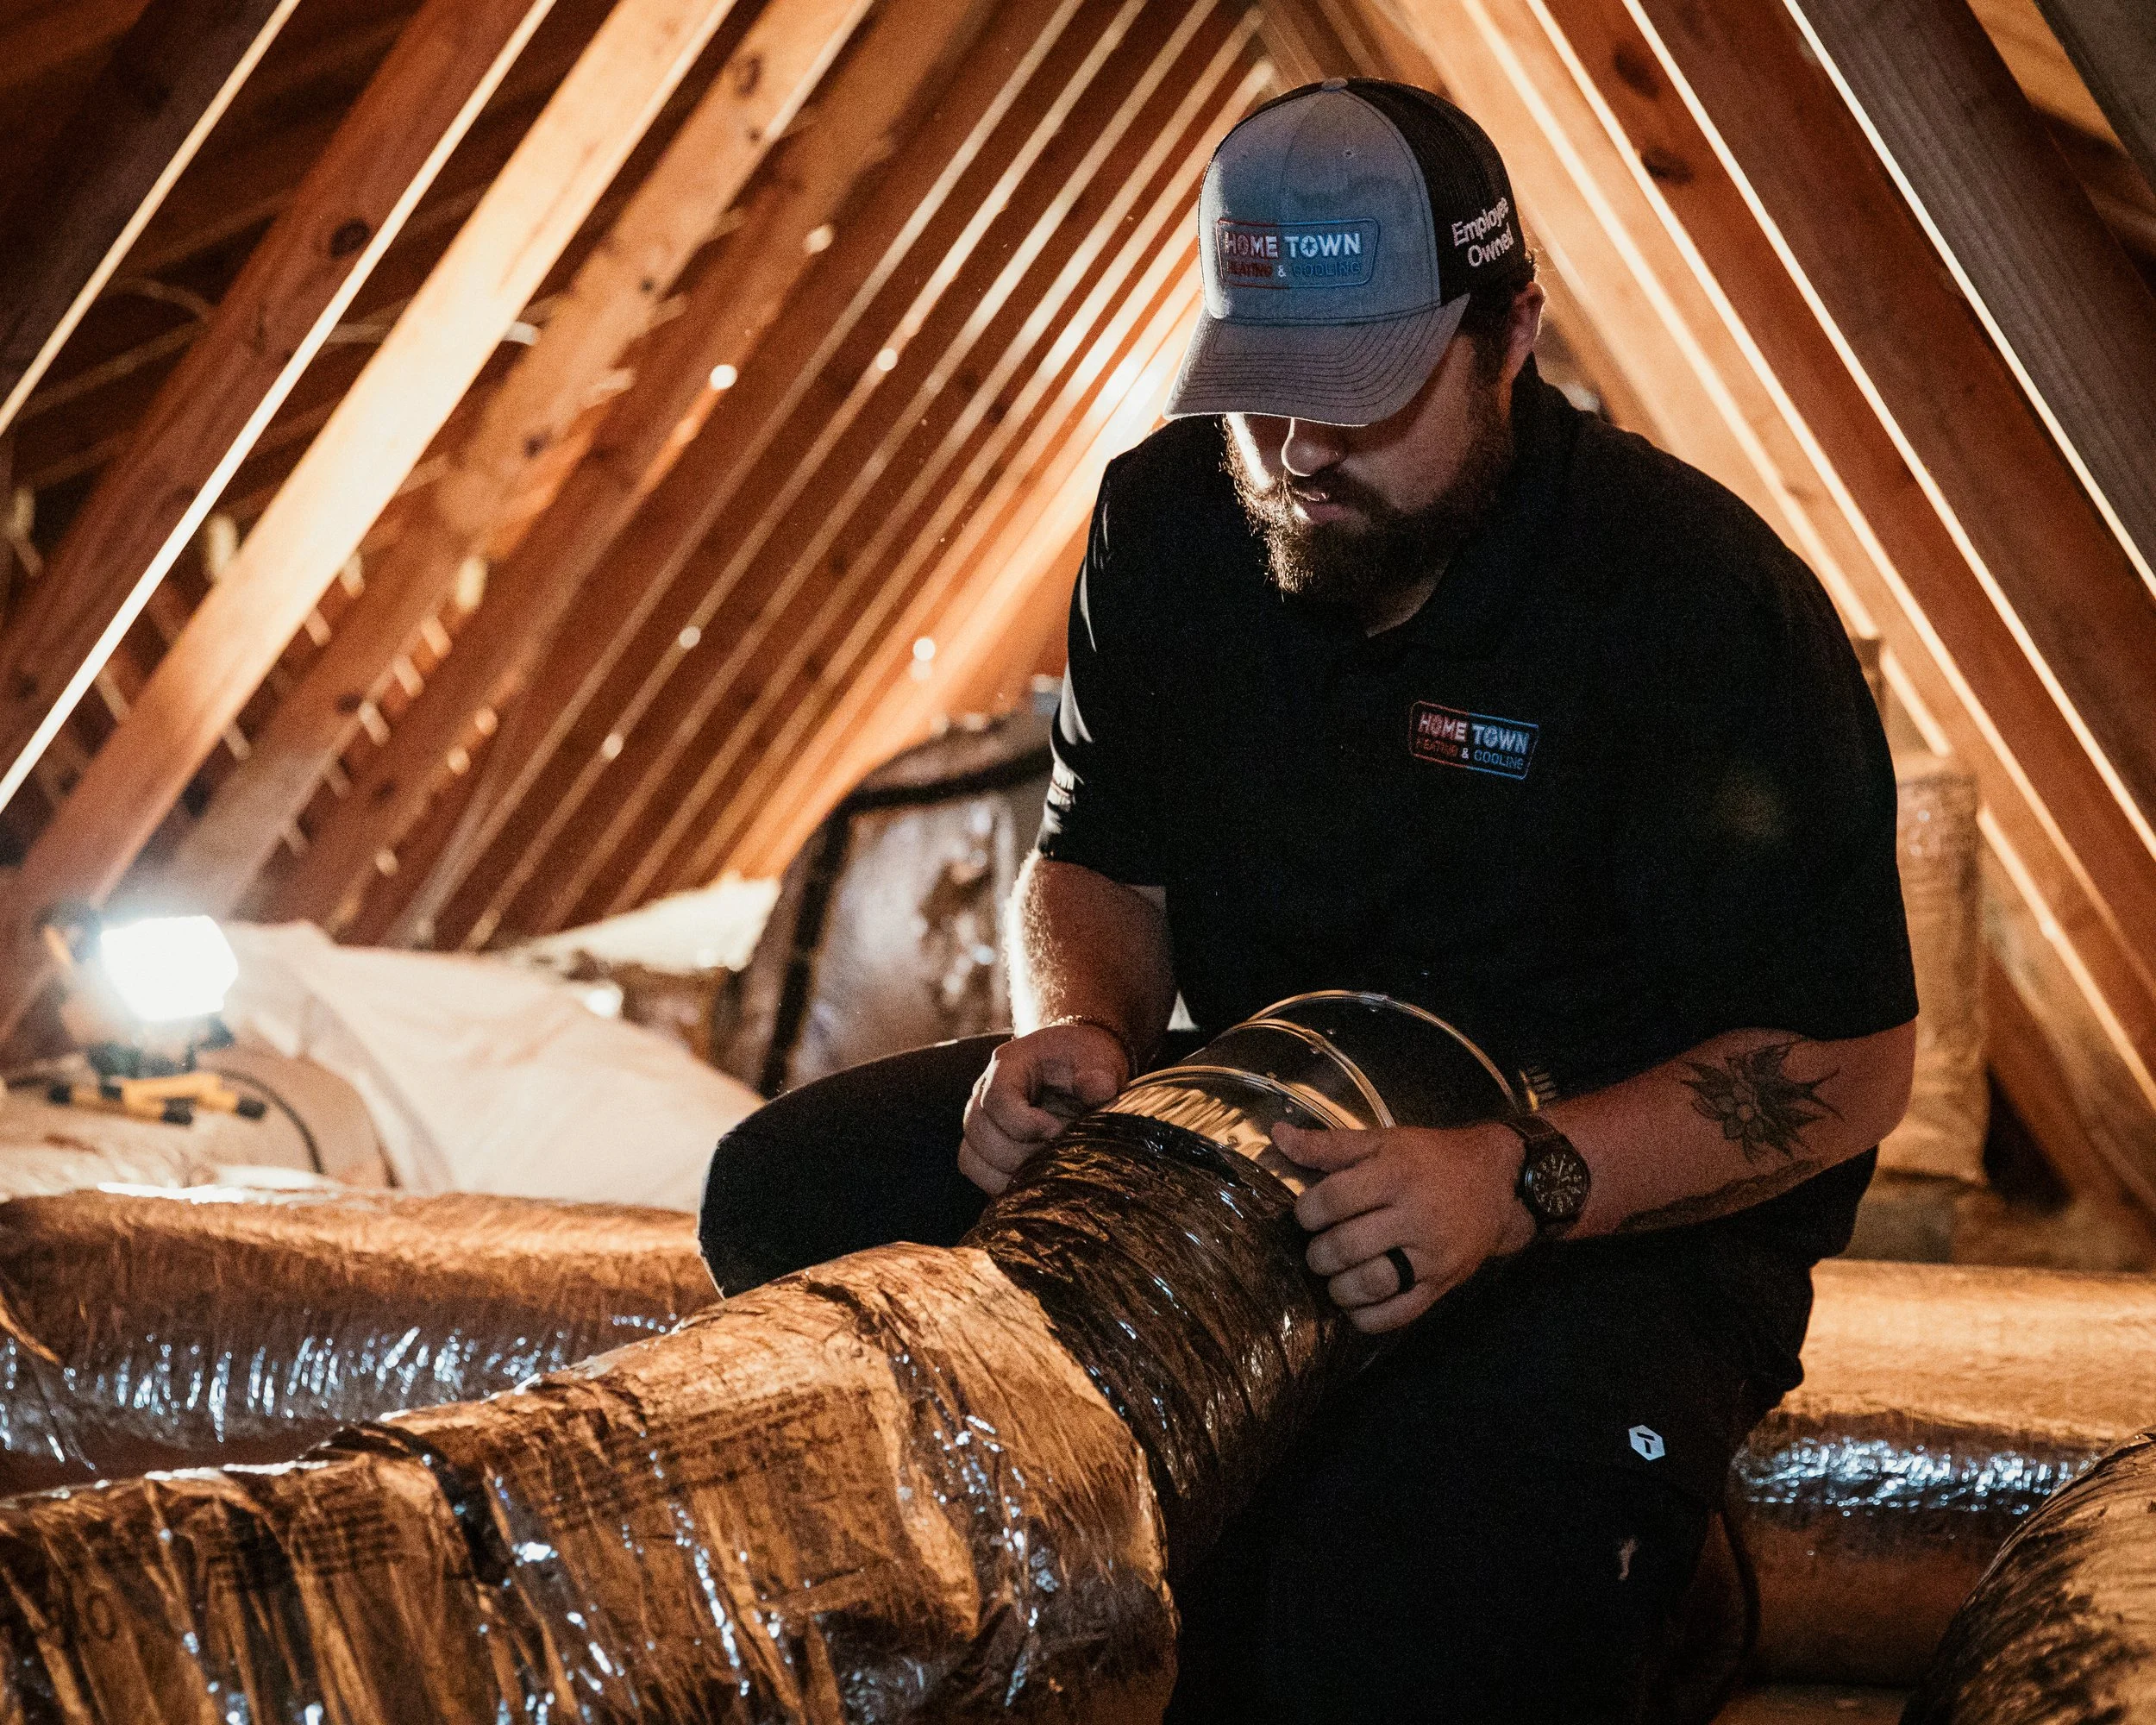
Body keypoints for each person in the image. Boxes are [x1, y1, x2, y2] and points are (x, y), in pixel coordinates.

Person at [701, 78, 1916, 1722]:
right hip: (1262, 1125)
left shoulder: (1695, 607)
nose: (1300, 451)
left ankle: (1664, 1596)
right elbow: (1097, 856)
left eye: (1365, 397)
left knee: (1395, 1593)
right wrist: (1080, 1029)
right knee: (784, 1195)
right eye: (1264, 393)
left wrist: (1516, 1183)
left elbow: (1851, 1068)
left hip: (1602, 1204)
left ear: (1514, 337)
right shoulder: (1171, 523)